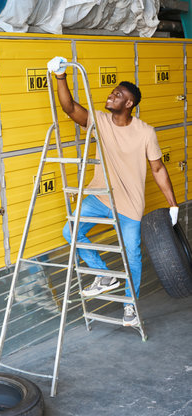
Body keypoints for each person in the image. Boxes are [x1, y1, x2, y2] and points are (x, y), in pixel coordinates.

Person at [47, 56, 179, 327]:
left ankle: (131, 306)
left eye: (117, 94)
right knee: (70, 232)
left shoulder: (145, 132)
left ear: (129, 104)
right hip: (99, 196)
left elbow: (157, 169)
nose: (111, 95)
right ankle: (104, 275)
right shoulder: (100, 121)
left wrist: (173, 204)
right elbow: (70, 108)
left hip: (130, 204)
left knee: (132, 254)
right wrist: (60, 76)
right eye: (112, 92)